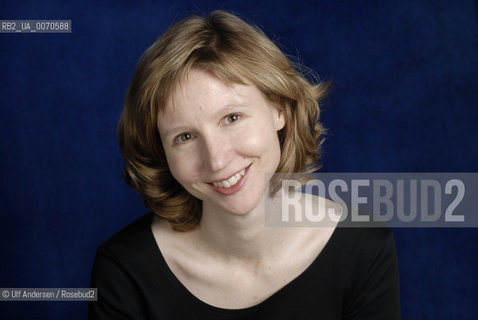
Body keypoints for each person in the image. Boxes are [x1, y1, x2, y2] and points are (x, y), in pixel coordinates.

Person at [89, 10, 400, 319]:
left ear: (279, 108)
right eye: (184, 137)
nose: (217, 159)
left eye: (232, 118)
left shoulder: (363, 247)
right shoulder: (124, 271)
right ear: (162, 153)